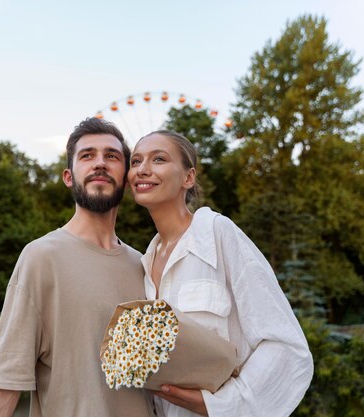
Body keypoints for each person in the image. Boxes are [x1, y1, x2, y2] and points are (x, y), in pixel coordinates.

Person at [0, 118, 155, 417]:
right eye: (87, 155)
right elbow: (2, 382)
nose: (100, 163)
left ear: (127, 176)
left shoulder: (145, 265)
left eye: (112, 156)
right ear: (69, 177)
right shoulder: (41, 258)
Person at [127, 130, 313, 417]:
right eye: (135, 161)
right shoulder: (143, 262)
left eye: (159, 159)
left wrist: (221, 406)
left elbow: (287, 347)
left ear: (188, 178)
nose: (143, 169)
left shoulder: (218, 234)